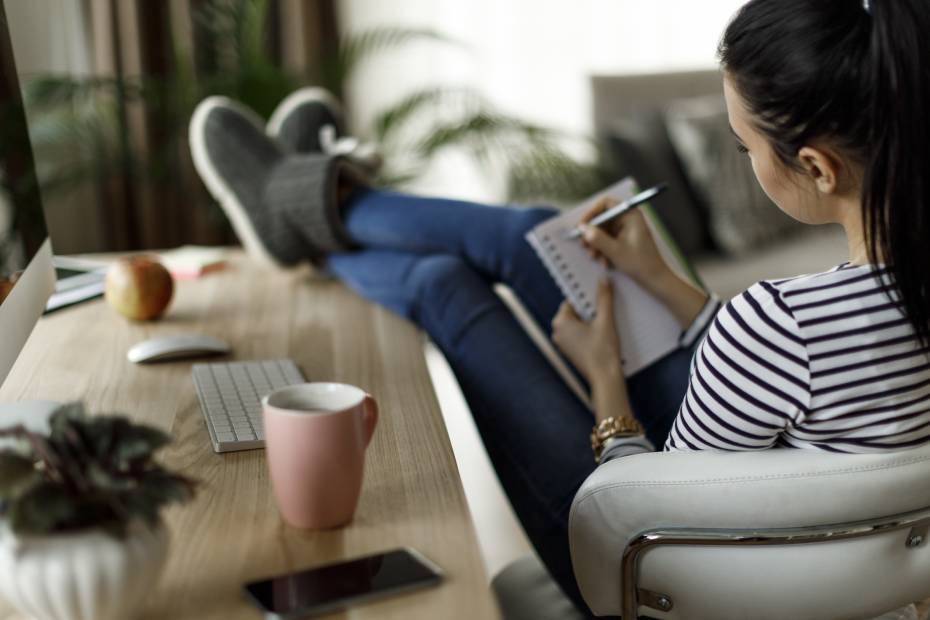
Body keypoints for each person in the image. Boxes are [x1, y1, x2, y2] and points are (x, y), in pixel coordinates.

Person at [189, 0, 930, 615]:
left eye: (744, 148)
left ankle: (308, 209)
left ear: (815, 167)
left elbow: (661, 508)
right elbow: (789, 378)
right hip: (791, 521)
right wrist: (659, 278)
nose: (743, 157)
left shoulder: (774, 322)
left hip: (666, 571)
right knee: (534, 236)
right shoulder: (823, 313)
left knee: (449, 285)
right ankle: (319, 206)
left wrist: (603, 377)